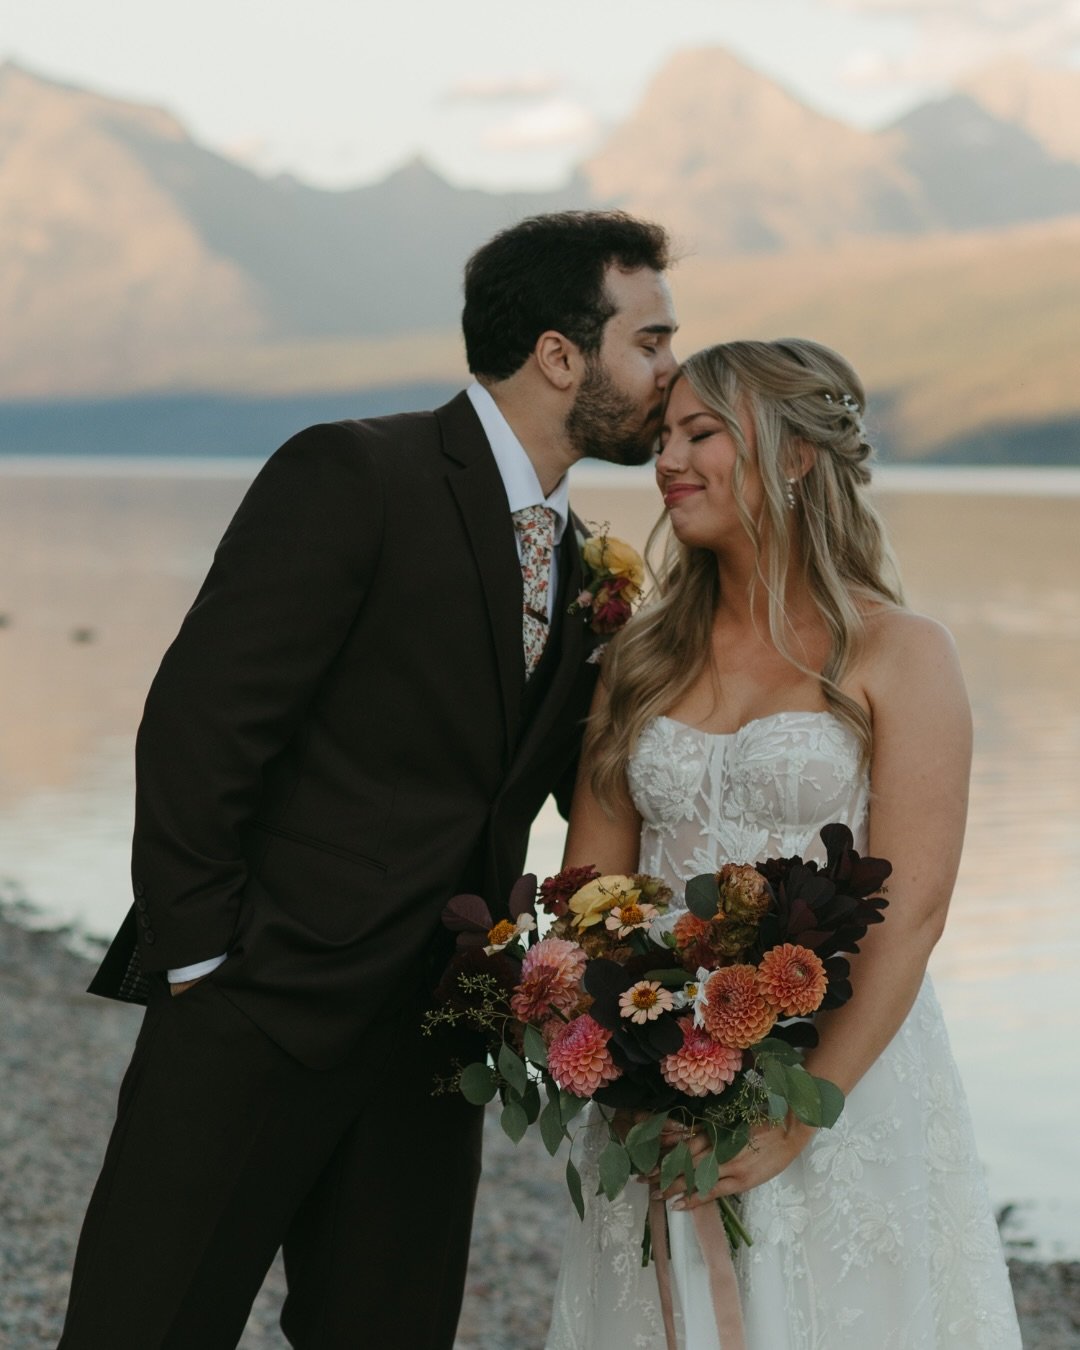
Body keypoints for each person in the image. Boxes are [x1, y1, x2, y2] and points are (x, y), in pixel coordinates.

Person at [57, 210, 678, 1350]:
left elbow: (557, 794)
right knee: (146, 1325)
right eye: (650, 342)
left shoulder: (592, 563)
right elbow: (199, 726)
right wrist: (208, 960)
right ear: (559, 353)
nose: (668, 374)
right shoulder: (354, 471)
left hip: (438, 1034)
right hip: (261, 1004)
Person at [544, 339, 1022, 1349]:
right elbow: (588, 886)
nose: (669, 459)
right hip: (658, 1065)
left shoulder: (900, 650)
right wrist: (612, 1059)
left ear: (796, 456)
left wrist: (803, 1114)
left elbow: (913, 912)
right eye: (664, 437)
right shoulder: (637, 658)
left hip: (839, 1063)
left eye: (701, 434)